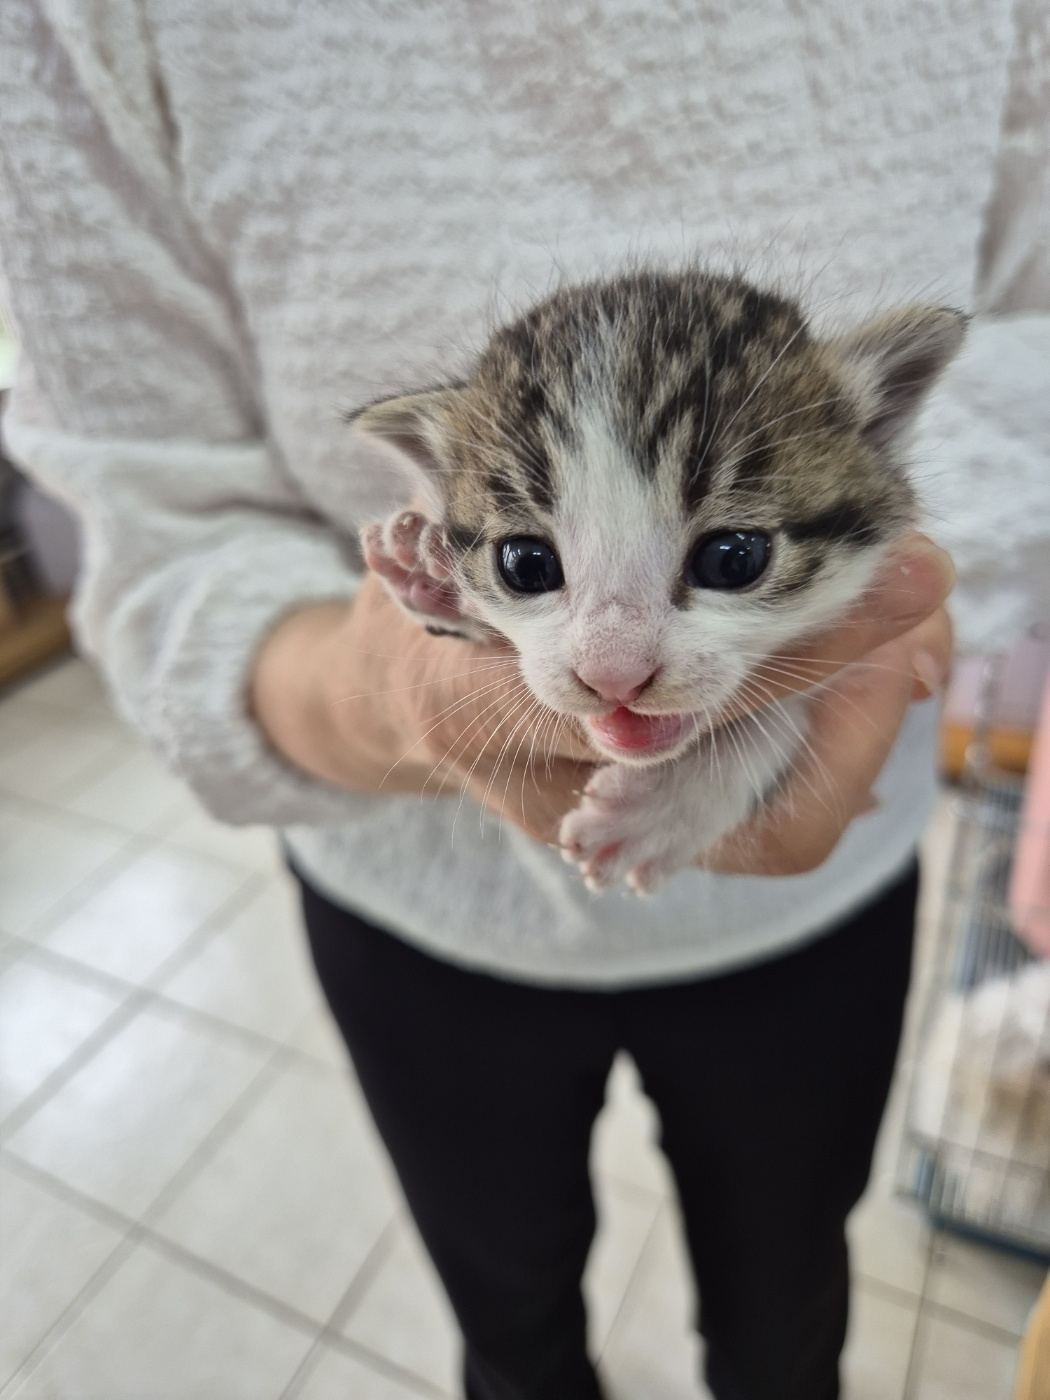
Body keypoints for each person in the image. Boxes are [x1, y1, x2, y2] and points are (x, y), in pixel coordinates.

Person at [0, 3, 1046, 1397]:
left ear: (879, 429)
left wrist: (873, 643)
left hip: (823, 913)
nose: (614, 668)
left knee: (787, 1313)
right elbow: (152, 523)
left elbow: (1027, 355)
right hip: (416, 927)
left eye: (725, 557)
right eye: (531, 563)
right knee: (510, 1328)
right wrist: (383, 682)